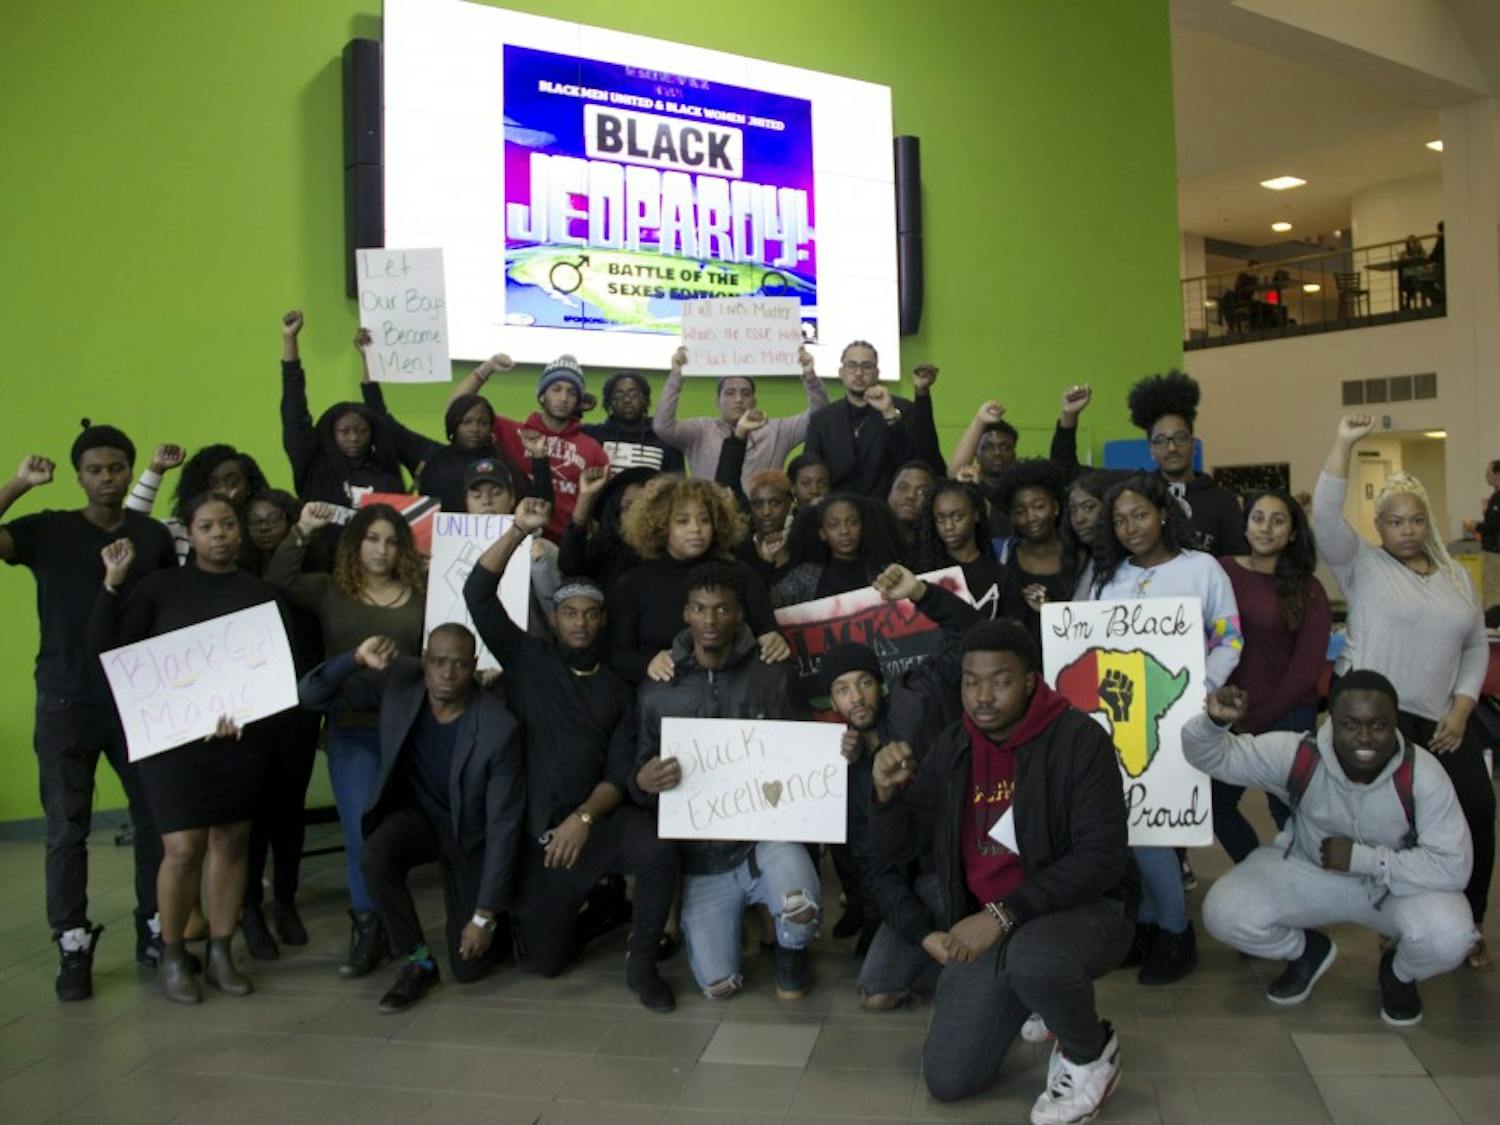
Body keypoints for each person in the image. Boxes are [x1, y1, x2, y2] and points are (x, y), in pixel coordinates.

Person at [869, 619, 1134, 1121]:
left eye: (1000, 680)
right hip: (991, 924)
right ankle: (1036, 999)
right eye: (971, 681)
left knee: (1035, 959)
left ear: (1032, 680)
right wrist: (884, 797)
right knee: (949, 1081)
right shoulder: (953, 746)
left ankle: (1090, 1053)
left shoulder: (1080, 740)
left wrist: (1000, 915)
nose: (982, 696)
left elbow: (1101, 860)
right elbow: (896, 851)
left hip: (1082, 912)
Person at [464, 498, 679, 1011]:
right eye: (569, 613)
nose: (580, 623)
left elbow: (618, 771)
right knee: (545, 962)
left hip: (594, 827)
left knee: (657, 850)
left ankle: (642, 964)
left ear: (603, 621)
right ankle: (601, 909)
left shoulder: (619, 686)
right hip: (540, 838)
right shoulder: (526, 658)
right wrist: (518, 530)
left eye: (590, 614)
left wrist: (584, 817)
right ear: (554, 618)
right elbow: (477, 594)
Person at [1185, 674, 1478, 1026]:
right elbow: (1214, 758)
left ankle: (1399, 974)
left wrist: (1365, 859)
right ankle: (1307, 951)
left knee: (1452, 937)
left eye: (1379, 725)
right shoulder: (1299, 755)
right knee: (1224, 912)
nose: (1365, 737)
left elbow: (1454, 866)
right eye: (1350, 725)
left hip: (1391, 887)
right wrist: (1214, 724)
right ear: (1331, 721)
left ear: (1396, 724)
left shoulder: (1423, 775)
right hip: (1310, 871)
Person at [90, 494, 285, 1004]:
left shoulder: (260, 593)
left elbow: (270, 671)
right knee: (181, 849)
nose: (218, 533)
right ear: (190, 534)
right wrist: (112, 584)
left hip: (239, 740)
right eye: (206, 526)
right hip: (173, 743)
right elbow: (109, 649)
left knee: (232, 841)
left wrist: (248, 711)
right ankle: (173, 952)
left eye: (226, 524)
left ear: (238, 532)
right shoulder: (160, 587)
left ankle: (222, 951)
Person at [0, 428, 175, 998]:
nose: (108, 477)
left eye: (117, 467)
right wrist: (19, 483)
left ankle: (155, 926)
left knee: (153, 819)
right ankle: (72, 944)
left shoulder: (150, 536)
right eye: (96, 469)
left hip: (137, 697)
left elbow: (167, 612)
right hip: (66, 699)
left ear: (129, 472)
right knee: (65, 828)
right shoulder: (47, 530)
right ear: (80, 475)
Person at [1315, 414, 1494, 970]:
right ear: (1380, 525)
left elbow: (1473, 646)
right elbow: (1323, 515)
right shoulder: (1361, 566)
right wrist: (1345, 442)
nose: (1407, 530)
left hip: (1443, 722)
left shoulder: (1454, 576)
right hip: (1380, 724)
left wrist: (1463, 706)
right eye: (1394, 521)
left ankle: (1469, 923)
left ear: (1428, 522)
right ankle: (1396, 926)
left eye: (1416, 520)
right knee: (1393, 830)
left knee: (1475, 812)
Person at [297, 626, 525, 1012]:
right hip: (420, 819)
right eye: (437, 663)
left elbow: (504, 826)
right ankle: (418, 960)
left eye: (458, 665)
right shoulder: (401, 683)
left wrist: (484, 917)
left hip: (470, 836)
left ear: (474, 667)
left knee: (471, 968)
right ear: (424, 661)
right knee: (375, 854)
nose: (447, 674)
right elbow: (311, 696)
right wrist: (354, 658)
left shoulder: (498, 728)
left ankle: (504, 920)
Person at [632, 562, 817, 1000]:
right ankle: (742, 925)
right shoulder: (660, 687)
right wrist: (643, 777)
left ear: (739, 615)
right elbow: (639, 764)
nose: (710, 620)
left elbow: (808, 756)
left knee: (801, 904)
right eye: (700, 608)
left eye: (722, 610)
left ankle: (792, 950)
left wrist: (835, 751)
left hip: (766, 840)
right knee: (719, 985)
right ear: (686, 614)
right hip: (703, 857)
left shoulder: (774, 673)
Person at [1088, 471, 1243, 984]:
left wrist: (1204, 688)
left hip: (1179, 720)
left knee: (1155, 830)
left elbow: (1229, 638)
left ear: (1163, 514)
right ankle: (1152, 925)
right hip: (1117, 723)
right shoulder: (1107, 575)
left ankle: (1176, 932)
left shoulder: (1203, 570)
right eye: (1120, 519)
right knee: (1130, 830)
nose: (1131, 527)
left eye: (1140, 514)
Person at [266, 500, 426, 977]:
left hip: (411, 730)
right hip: (352, 729)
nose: (381, 549)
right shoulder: (331, 591)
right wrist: (302, 531)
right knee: (360, 831)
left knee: (400, 833)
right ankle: (366, 929)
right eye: (372, 539)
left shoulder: (422, 595)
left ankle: (396, 925)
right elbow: (278, 582)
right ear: (355, 544)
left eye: (392, 540)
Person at [837, 565, 983, 1007]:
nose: (857, 697)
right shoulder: (840, 770)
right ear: (832, 703)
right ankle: (974, 973)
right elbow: (876, 869)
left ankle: (989, 969)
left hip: (966, 862)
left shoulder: (919, 696)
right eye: (842, 690)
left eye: (863, 683)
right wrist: (923, 934)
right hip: (916, 883)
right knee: (877, 994)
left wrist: (919, 592)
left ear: (880, 684)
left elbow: (970, 636)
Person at [1216, 489, 1332, 855]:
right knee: (1214, 806)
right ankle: (1257, 873)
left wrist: (1262, 717)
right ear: (1246, 525)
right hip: (1228, 717)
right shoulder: (1220, 571)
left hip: (1287, 716)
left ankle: (1302, 893)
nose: (1266, 528)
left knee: (1287, 813)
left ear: (1294, 532)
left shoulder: (1307, 588)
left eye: (1278, 520)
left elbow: (1307, 667)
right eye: (1258, 518)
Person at [237, 488, 324, 959]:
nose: (266, 526)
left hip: (299, 705)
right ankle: (250, 907)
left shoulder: (316, 566)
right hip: (250, 712)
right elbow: (269, 587)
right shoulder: (239, 573)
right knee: (252, 814)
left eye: (276, 518)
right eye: (256, 520)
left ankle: (285, 901)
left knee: (290, 809)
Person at [609, 476, 788, 683]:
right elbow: (618, 656)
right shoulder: (633, 583)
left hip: (737, 693)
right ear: (661, 525)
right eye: (682, 521)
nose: (695, 528)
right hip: (665, 696)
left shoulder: (742, 575)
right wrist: (648, 663)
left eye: (704, 519)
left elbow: (767, 632)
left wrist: (773, 641)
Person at [447, 352, 609, 540]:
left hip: (565, 547)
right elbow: (456, 410)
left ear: (578, 401)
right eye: (556, 389)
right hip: (513, 537)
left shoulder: (592, 448)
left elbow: (602, 507)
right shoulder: (513, 432)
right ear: (542, 396)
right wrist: (487, 368)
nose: (564, 398)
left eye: (572, 392)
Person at [354, 328, 507, 512]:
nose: (475, 428)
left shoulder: (503, 463)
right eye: (466, 422)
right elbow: (380, 418)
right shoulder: (429, 456)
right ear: (453, 423)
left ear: (491, 428)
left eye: (483, 423)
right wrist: (368, 359)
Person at [279, 311, 421, 505]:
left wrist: (368, 358)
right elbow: (294, 415)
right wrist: (290, 339)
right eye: (344, 432)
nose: (354, 438)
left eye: (361, 431)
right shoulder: (315, 469)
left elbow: (378, 414)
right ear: (331, 433)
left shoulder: (387, 480)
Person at [653, 344, 828, 485]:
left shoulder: (777, 431)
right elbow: (662, 426)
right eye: (730, 393)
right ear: (717, 401)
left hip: (764, 521)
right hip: (712, 519)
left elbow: (820, 417)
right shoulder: (701, 430)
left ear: (754, 401)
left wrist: (810, 376)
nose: (738, 399)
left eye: (745, 393)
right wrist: (676, 376)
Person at [1126, 370, 1248, 555]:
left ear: (1193, 444)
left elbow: (1238, 562)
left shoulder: (1223, 502)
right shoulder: (1138, 494)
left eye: (1180, 438)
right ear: (1151, 449)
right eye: (1161, 440)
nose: (1172, 447)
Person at [949, 387, 1091, 538]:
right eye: (988, 447)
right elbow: (954, 474)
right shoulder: (972, 486)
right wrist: (980, 420)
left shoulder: (1027, 489)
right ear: (976, 453)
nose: (997, 453)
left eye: (1005, 447)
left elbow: (1064, 461)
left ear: (1014, 453)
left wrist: (1069, 414)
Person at [126, 443, 271, 564]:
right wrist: (156, 469)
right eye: (214, 484)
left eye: (232, 482)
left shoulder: (262, 531)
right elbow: (131, 527)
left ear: (249, 486)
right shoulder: (178, 531)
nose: (223, 490)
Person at [803, 341, 915, 499]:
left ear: (877, 372)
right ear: (841, 372)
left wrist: (890, 414)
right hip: (836, 513)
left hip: (885, 513)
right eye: (851, 365)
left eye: (866, 366)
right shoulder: (822, 419)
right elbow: (810, 471)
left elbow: (910, 464)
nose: (858, 373)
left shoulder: (902, 409)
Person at [772, 493, 908, 607]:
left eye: (852, 522)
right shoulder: (804, 577)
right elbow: (770, 606)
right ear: (822, 533)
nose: (844, 531)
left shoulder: (884, 571)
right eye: (834, 525)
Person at [994, 460, 1075, 641]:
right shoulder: (1004, 555)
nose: (1031, 517)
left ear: (1055, 507)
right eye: (1019, 511)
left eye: (1039, 506)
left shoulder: (1080, 556)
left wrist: (1048, 609)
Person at [912, 479, 1003, 619]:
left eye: (958, 517)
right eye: (940, 519)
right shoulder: (924, 573)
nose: (948, 527)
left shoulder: (1002, 575)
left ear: (976, 514)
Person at [557, 465, 655, 596]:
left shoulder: (673, 552)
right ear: (616, 512)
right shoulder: (606, 546)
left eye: (644, 508)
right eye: (627, 506)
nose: (635, 514)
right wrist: (586, 497)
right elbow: (569, 566)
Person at [582, 370, 684, 475]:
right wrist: (577, 408)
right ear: (610, 403)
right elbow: (565, 432)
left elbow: (677, 486)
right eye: (619, 396)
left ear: (645, 399)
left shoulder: (665, 438)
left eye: (634, 395)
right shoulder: (593, 435)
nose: (627, 400)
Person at [1464, 459, 1500, 609]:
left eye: (1488, 472)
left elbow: (1494, 524)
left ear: (1497, 474)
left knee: (1492, 589)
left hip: (1495, 551)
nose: (1486, 475)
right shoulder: (1495, 496)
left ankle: (1494, 623)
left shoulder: (1498, 498)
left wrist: (1475, 526)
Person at [887, 461, 937, 546]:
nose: (910, 496)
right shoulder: (869, 538)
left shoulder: (940, 548)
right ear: (889, 493)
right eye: (903, 487)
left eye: (922, 491)